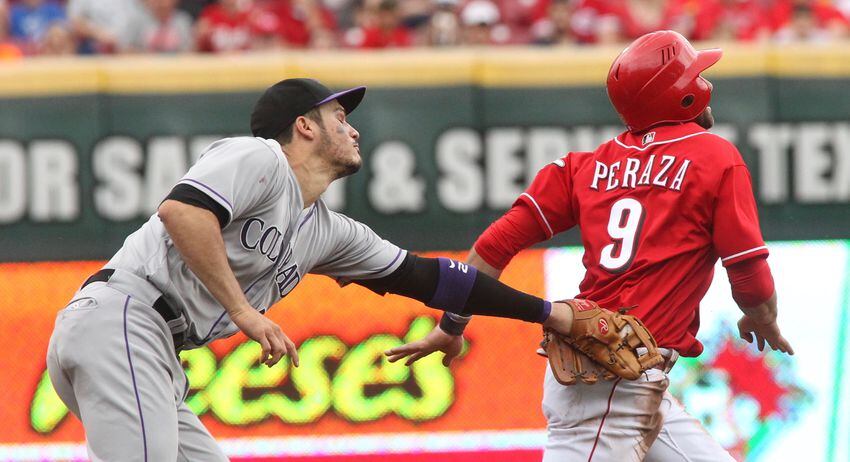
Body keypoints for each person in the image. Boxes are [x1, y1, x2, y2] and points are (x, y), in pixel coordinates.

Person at [45, 77, 584, 461]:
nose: (354, 132)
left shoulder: (329, 231)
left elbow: (433, 278)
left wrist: (543, 313)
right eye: (340, 118)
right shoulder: (260, 158)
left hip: (152, 352)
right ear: (303, 126)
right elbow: (183, 212)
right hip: (123, 320)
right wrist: (244, 312)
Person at [386, 30, 794, 461]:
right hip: (610, 378)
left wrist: (452, 326)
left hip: (626, 372)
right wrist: (760, 317)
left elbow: (492, 246)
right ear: (684, 94)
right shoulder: (715, 158)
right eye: (695, 75)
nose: (704, 83)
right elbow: (748, 273)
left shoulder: (583, 166)